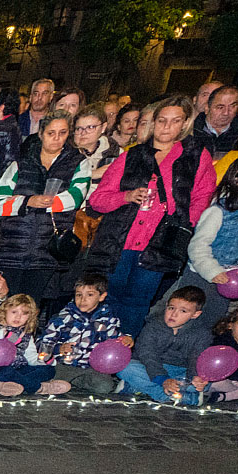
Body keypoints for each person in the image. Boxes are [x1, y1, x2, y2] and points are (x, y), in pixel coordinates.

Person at [87, 95, 215, 337]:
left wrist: (183, 224)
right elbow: (98, 199)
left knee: (138, 301)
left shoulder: (196, 156)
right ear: (153, 122)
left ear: (184, 123)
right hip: (120, 240)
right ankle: (98, 347)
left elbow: (202, 196)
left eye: (174, 121)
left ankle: (122, 355)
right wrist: (126, 196)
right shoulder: (132, 155)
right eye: (162, 120)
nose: (167, 126)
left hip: (160, 243)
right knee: (109, 297)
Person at [0, 109, 94, 325]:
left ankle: (24, 351)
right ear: (41, 134)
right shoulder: (20, 163)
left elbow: (74, 199)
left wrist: (31, 203)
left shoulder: (78, 163)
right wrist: (28, 202)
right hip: (12, 248)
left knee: (31, 310)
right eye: (51, 133)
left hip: (47, 251)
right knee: (5, 308)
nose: (56, 138)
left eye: (62, 133)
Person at [174, 156, 238, 331]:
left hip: (229, 277)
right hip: (201, 274)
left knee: (213, 321)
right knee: (186, 318)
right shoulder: (218, 209)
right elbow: (198, 245)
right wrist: (212, 271)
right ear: (236, 178)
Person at [116, 284, 210, 405]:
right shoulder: (153, 325)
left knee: (204, 383)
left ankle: (138, 387)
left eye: (183, 311)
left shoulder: (202, 333)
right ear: (166, 306)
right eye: (171, 308)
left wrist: (196, 377)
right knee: (124, 367)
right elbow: (147, 355)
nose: (174, 315)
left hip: (180, 372)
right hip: (150, 368)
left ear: (195, 314)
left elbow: (197, 359)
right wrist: (162, 379)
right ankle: (171, 396)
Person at [36, 272, 125, 395]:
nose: (83, 299)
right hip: (62, 365)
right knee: (46, 376)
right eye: (79, 295)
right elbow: (42, 342)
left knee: (104, 387)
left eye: (90, 295)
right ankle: (59, 382)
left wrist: (125, 340)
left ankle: (77, 382)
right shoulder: (64, 317)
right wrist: (58, 348)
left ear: (102, 296)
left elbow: (114, 342)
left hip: (91, 367)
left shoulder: (109, 320)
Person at [0, 294, 68, 396]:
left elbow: (31, 357)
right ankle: (39, 388)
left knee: (49, 370)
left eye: (24, 314)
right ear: (5, 311)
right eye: (14, 312)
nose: (18, 317)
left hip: (18, 369)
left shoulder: (26, 335)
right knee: (5, 372)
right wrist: (6, 334)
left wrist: (45, 360)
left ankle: (5, 385)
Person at [189, 84, 238, 161]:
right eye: (220, 107)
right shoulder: (190, 130)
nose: (226, 112)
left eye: (232, 106)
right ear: (207, 108)